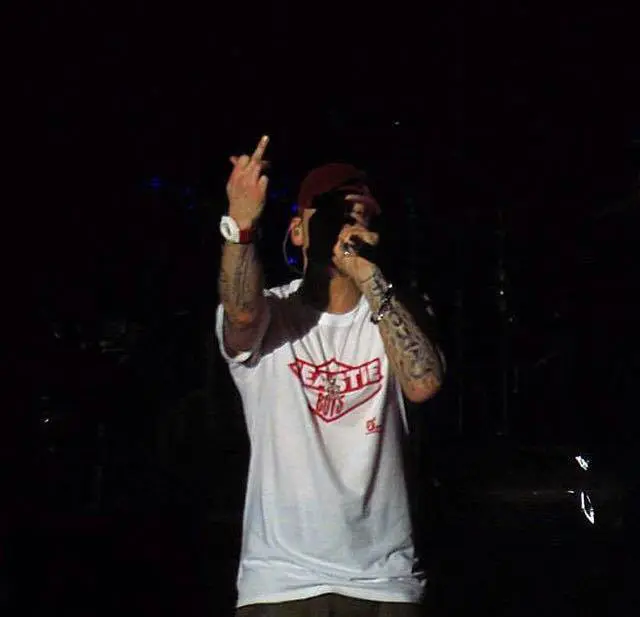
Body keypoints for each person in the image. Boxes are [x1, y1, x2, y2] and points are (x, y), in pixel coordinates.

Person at [215, 135, 445, 617]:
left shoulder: (395, 309)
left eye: (358, 213)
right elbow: (240, 315)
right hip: (281, 582)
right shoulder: (274, 313)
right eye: (332, 212)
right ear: (297, 231)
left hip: (385, 583)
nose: (347, 222)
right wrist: (241, 225)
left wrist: (366, 273)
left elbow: (423, 383)